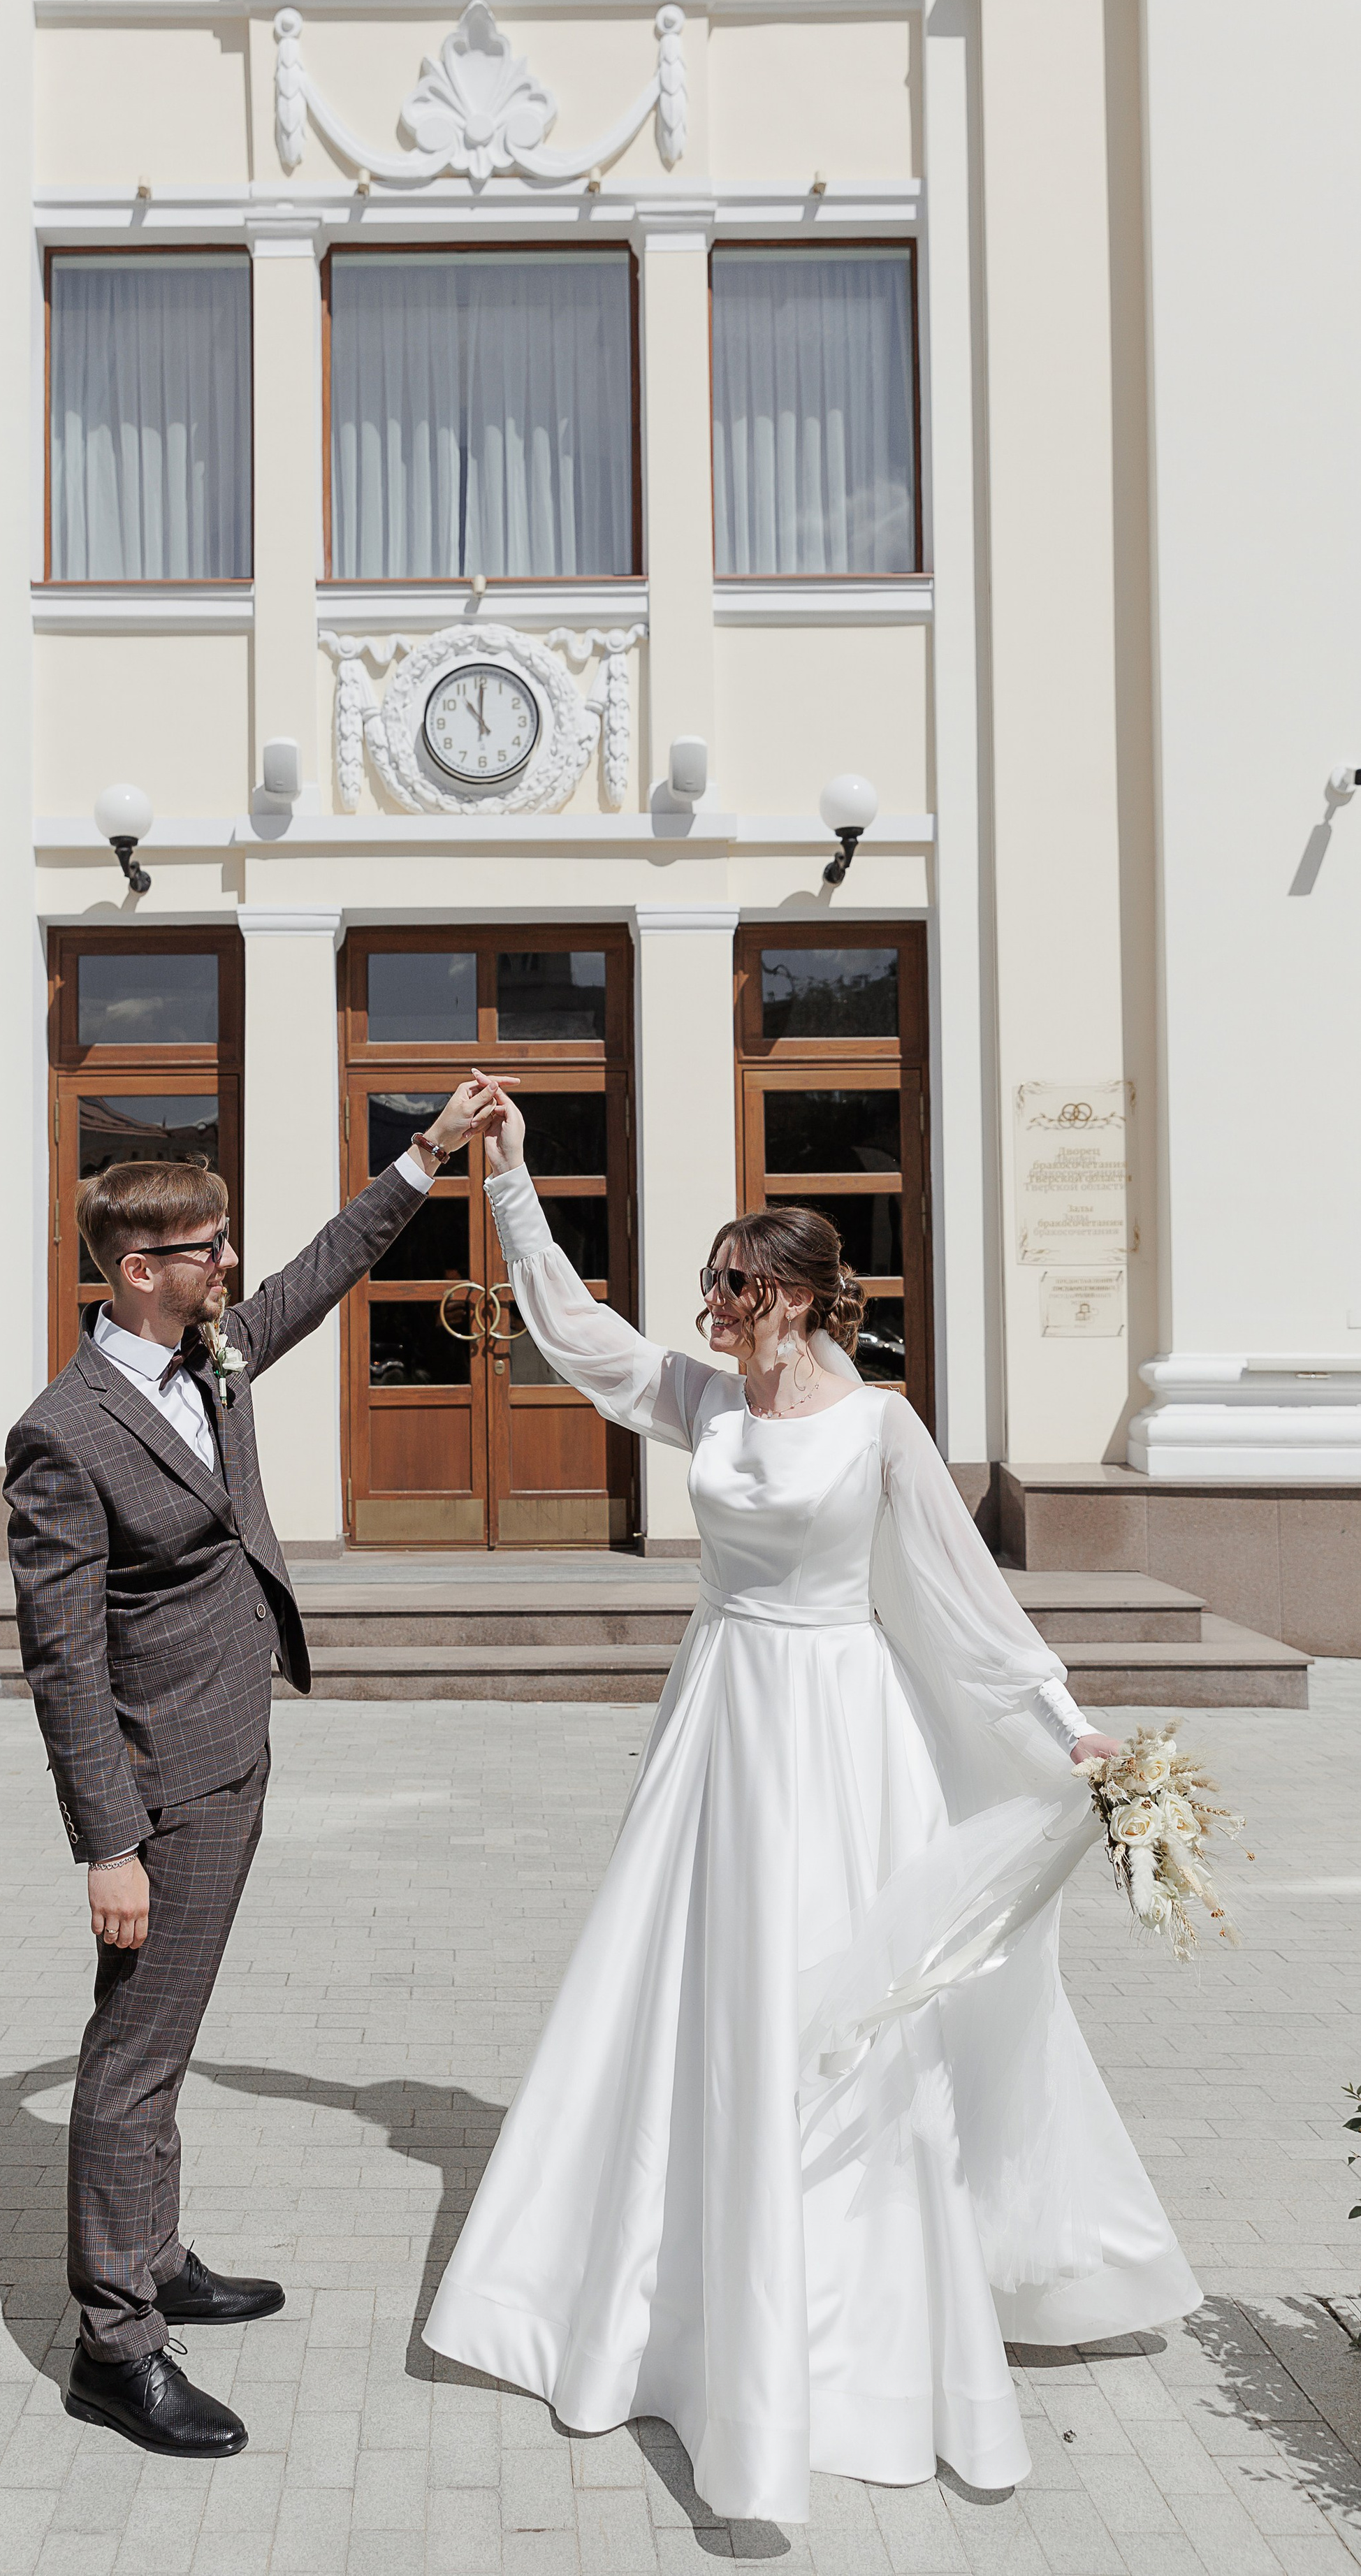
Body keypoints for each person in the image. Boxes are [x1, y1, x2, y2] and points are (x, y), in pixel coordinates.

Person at [423, 1081, 1200, 2525]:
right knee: (691, 1991)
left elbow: (968, 1604)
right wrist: (511, 1185)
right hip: (722, 1718)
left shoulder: (881, 1428)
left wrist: (1067, 1730)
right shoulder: (704, 1399)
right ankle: (672, 2283)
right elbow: (580, 1343)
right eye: (708, 1282)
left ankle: (856, 2298)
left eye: (727, 1283)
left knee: (846, 2008)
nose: (705, 1303)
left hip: (841, 1728)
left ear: (788, 1297)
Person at [6, 1075, 504, 2459]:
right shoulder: (64, 1434)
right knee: (133, 2056)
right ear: (134, 1267)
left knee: (156, 2045)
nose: (232, 1262)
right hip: (158, 1780)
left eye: (228, 1240)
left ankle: (154, 2257)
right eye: (208, 1246)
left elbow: (320, 1271)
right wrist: (106, 1840)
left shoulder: (208, 1357)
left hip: (234, 1748)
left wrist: (424, 1158)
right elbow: (63, 1664)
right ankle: (116, 2341)